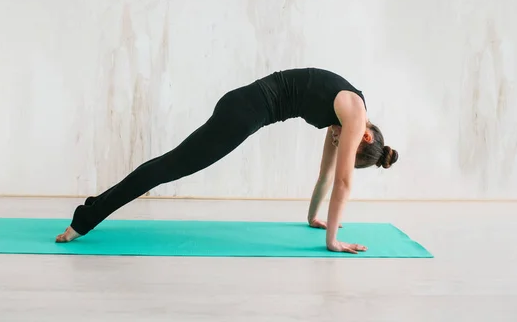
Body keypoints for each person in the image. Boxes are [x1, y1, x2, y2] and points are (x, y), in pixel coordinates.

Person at [55, 67, 398, 253]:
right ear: (365, 136)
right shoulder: (353, 112)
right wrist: (332, 242)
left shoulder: (343, 115)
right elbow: (343, 181)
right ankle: (85, 219)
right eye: (343, 143)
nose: (336, 140)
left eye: (339, 141)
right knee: (168, 168)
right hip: (244, 112)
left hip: (243, 105)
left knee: (167, 165)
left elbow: (326, 175)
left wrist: (314, 218)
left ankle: (89, 213)